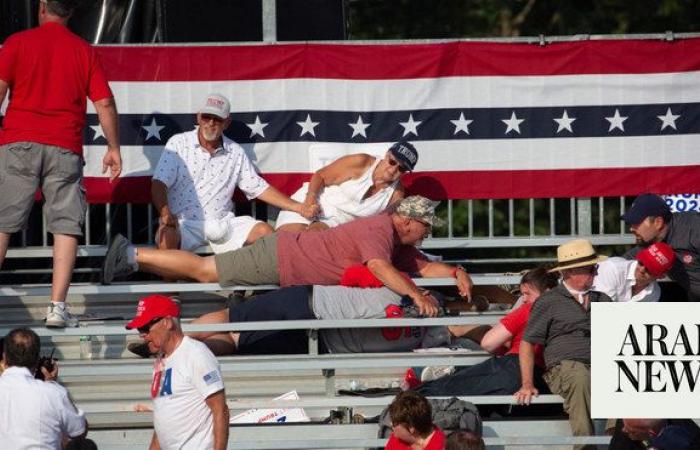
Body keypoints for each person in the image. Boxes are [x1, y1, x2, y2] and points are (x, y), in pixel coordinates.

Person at [104, 195, 473, 317]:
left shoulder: (396, 242)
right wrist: (416, 294)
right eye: (427, 226)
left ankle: (133, 256)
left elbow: (424, 267)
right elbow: (378, 267)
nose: (429, 232)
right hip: (280, 258)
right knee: (204, 271)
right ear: (408, 221)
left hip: (285, 262)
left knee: (207, 273)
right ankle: (131, 254)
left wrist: (457, 271)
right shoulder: (379, 230)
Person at [0, 0, 122, 328]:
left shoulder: (17, 43)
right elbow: (105, 103)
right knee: (65, 226)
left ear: (42, 8)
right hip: (64, 146)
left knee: (2, 223)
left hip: (18, 141)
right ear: (70, 13)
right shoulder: (83, 51)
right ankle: (56, 307)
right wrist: (113, 148)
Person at [153, 93, 318, 253]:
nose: (210, 123)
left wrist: (299, 208)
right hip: (185, 224)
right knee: (166, 236)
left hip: (223, 225)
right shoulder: (179, 143)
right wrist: (165, 213)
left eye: (217, 119)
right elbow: (159, 183)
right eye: (206, 117)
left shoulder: (235, 151)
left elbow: (258, 188)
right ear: (198, 117)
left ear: (226, 123)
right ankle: (174, 281)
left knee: (265, 232)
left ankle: (250, 277)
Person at [515, 239, 612, 450]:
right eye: (590, 269)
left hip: (600, 363)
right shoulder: (549, 301)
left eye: (594, 268)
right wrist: (527, 383)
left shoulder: (602, 299)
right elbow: (527, 343)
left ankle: (618, 440)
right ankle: (586, 446)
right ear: (569, 272)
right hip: (565, 366)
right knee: (579, 376)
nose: (595, 273)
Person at [415, 267, 558, 396]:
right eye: (522, 294)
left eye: (527, 294)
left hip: (513, 369)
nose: (523, 299)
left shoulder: (529, 308)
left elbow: (488, 343)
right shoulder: (567, 310)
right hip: (543, 378)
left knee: (442, 389)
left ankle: (411, 397)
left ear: (546, 292)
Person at [126, 295, 229, 450]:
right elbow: (163, 418)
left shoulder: (195, 354)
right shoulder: (162, 360)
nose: (142, 335)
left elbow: (220, 410)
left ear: (167, 322)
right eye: (140, 329)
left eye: (145, 328)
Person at [275, 141, 414, 232]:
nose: (393, 169)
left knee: (310, 241)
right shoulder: (362, 162)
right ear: (386, 155)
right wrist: (309, 201)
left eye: (401, 169)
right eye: (392, 162)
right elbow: (320, 176)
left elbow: (383, 224)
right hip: (316, 198)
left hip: (340, 223)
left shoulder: (396, 194)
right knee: (285, 239)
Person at [0, 328, 87, 449]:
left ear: (4, 357)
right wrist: (52, 384)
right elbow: (80, 431)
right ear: (37, 359)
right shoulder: (53, 393)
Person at [621, 193, 700, 301]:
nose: (631, 229)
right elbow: (618, 264)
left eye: (636, 222)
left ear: (658, 222)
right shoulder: (651, 242)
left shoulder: (694, 229)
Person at [593, 242, 676, 302]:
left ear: (661, 276)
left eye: (649, 269)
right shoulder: (613, 268)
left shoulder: (654, 293)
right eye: (641, 262)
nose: (642, 269)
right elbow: (601, 311)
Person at [609, 418, 700, 450]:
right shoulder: (627, 423)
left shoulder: (689, 438)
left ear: (651, 432)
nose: (624, 429)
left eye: (632, 430)